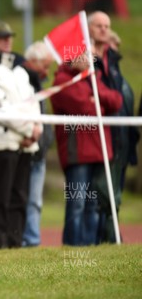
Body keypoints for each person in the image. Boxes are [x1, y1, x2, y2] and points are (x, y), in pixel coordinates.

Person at [0, 21, 42, 250]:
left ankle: (15, 243)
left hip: (26, 144)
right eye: (1, 37)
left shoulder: (20, 71)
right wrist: (27, 129)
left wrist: (36, 130)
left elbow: (32, 102)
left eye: (9, 36)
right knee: (0, 198)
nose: (7, 41)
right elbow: (0, 107)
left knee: (20, 197)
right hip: (3, 143)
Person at [51, 53, 122, 246]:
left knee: (93, 203)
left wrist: (95, 97)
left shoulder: (92, 78)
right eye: (84, 56)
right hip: (78, 153)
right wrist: (97, 102)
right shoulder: (62, 81)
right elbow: (86, 108)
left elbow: (116, 101)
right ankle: (74, 246)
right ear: (72, 58)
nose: (89, 60)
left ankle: (90, 245)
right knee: (77, 203)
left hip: (98, 151)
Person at [88, 12, 139, 243]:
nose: (104, 30)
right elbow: (99, 96)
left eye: (107, 26)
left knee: (113, 194)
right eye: (99, 26)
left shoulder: (115, 68)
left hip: (121, 140)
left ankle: (110, 238)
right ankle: (99, 239)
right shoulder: (87, 60)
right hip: (99, 139)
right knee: (101, 193)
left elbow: (120, 101)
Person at [20, 41, 54, 247]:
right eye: (45, 66)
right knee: (25, 199)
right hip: (24, 150)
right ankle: (24, 239)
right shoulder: (21, 80)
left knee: (35, 201)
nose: (47, 71)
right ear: (33, 62)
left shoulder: (40, 83)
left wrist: (45, 141)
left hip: (39, 152)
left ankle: (32, 239)